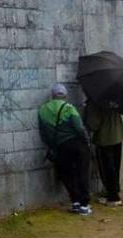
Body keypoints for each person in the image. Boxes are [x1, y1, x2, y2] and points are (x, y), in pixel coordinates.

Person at [38, 83, 92, 215]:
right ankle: (84, 205)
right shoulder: (69, 108)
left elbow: (43, 132)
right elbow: (79, 128)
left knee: (67, 175)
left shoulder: (43, 110)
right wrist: (86, 141)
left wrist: (51, 144)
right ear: (65, 95)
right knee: (82, 173)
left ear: (52, 95)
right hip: (77, 145)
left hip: (60, 147)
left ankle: (75, 202)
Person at [84, 102, 123, 206]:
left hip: (105, 138)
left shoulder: (95, 102)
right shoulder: (116, 98)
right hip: (118, 135)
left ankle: (113, 196)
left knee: (107, 167)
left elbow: (94, 124)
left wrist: (86, 115)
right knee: (116, 165)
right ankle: (113, 191)